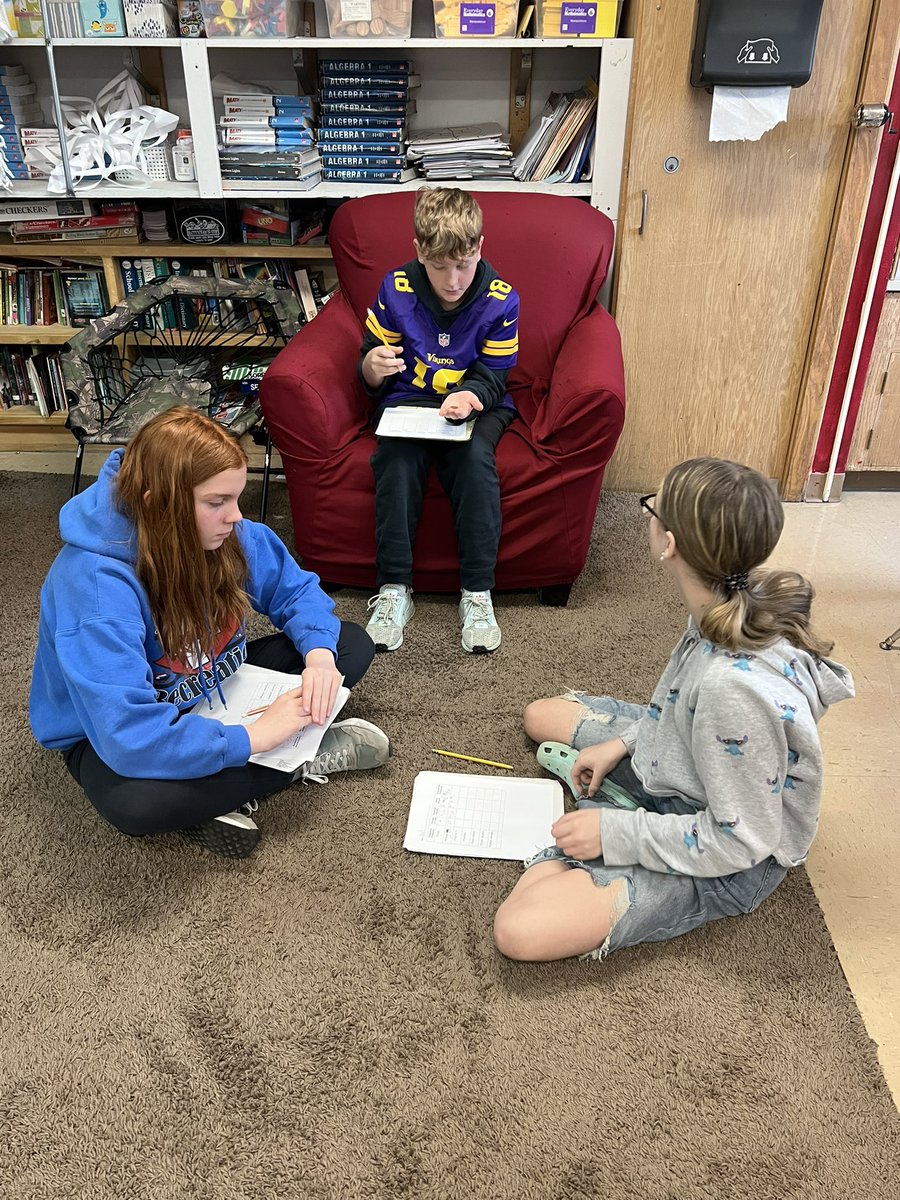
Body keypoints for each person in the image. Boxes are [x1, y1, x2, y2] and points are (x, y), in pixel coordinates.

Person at [493, 457, 855, 963]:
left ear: (670, 545)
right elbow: (669, 703)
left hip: (728, 854)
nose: (647, 516)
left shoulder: (732, 691)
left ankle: (615, 809)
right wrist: (621, 743)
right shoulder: (719, 604)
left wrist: (617, 833)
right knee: (542, 716)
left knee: (520, 930)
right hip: (684, 756)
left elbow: (740, 842)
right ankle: (619, 794)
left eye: (651, 508)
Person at [29, 406, 389, 860]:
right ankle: (298, 759)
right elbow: (126, 734)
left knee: (346, 645)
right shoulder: (94, 587)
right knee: (136, 806)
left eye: (236, 498)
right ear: (156, 502)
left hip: (211, 684)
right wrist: (258, 738)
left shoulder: (223, 532)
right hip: (104, 729)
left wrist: (318, 656)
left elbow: (294, 591)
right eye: (217, 502)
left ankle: (220, 785)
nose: (235, 517)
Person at [359, 186, 519, 655]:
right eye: (439, 267)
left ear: (480, 248)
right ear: (419, 253)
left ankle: (476, 592)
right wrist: (372, 367)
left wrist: (470, 396)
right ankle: (393, 590)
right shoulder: (396, 288)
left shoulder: (501, 298)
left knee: (472, 460)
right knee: (396, 461)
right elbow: (370, 358)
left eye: (463, 265)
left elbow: (495, 375)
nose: (453, 281)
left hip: (476, 401)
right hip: (410, 401)